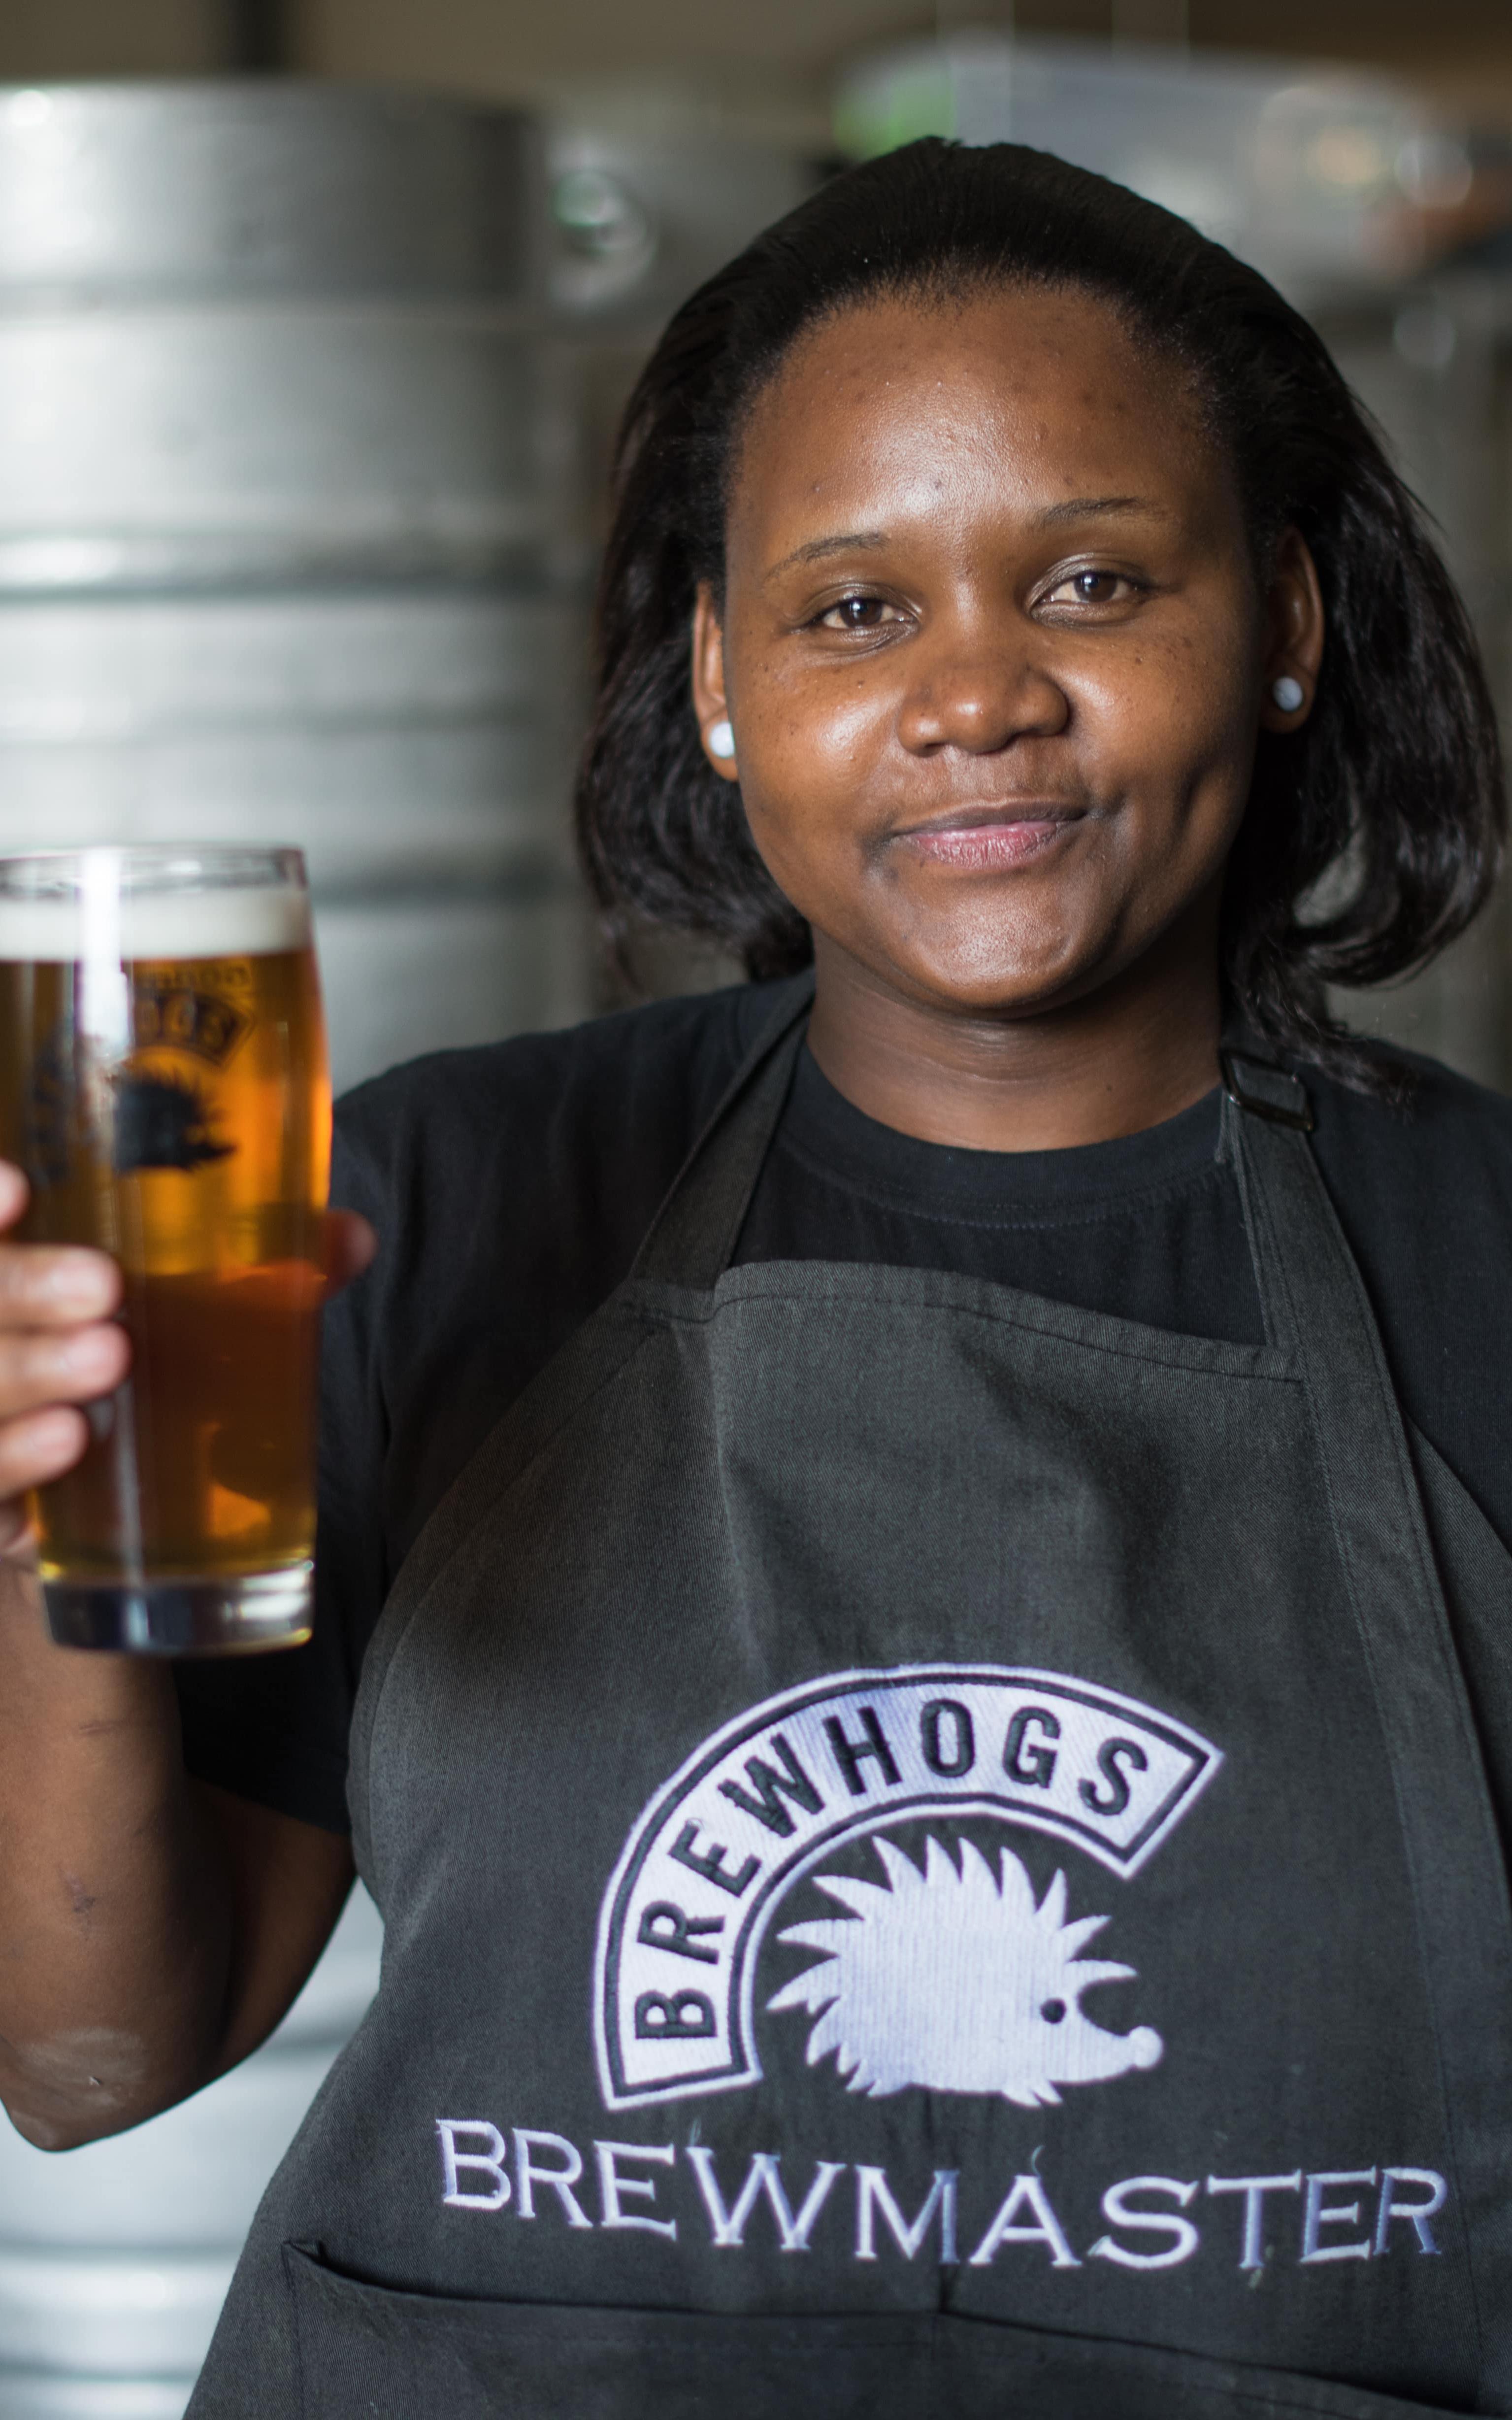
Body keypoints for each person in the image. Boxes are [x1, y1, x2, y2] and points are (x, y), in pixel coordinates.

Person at [0, 137, 1509, 2418]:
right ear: (718, 675)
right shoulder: (446, 1197)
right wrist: (53, 1523)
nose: (978, 696)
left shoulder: (1483, 1260)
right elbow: (86, 2061)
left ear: (1286, 624)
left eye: (1093, 582)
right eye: (855, 608)